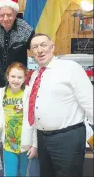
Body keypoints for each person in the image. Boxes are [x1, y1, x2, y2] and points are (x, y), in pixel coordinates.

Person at [28, 33, 93, 177]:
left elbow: (90, 102)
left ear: (52, 47)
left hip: (68, 138)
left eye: (43, 45)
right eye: (35, 47)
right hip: (43, 139)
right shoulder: (34, 75)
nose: (39, 50)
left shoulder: (70, 68)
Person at [0, 62, 39, 177]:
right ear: (7, 77)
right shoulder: (1, 93)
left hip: (26, 144)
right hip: (8, 144)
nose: (16, 80)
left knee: (23, 174)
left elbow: (34, 119)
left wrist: (34, 145)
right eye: (13, 76)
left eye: (19, 77)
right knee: (10, 174)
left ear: (25, 78)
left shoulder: (29, 93)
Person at [0, 0, 35, 73]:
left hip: (18, 76)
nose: (5, 19)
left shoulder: (26, 30)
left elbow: (36, 49)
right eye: (2, 15)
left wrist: (34, 71)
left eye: (9, 15)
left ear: (15, 15)